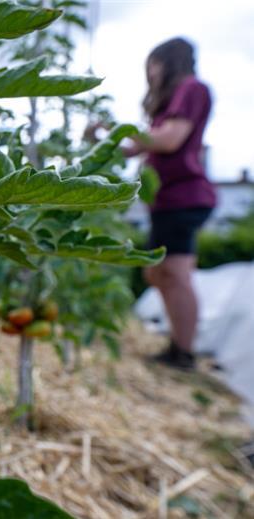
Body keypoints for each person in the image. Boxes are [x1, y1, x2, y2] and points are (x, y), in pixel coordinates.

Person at [130, 37, 216, 370]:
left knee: (177, 274)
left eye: (153, 64)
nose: (149, 73)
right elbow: (143, 146)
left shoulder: (192, 89)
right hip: (167, 199)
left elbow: (168, 140)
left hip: (185, 196)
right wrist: (109, 139)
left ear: (168, 62)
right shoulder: (171, 102)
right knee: (156, 273)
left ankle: (184, 353)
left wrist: (121, 131)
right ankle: (178, 343)